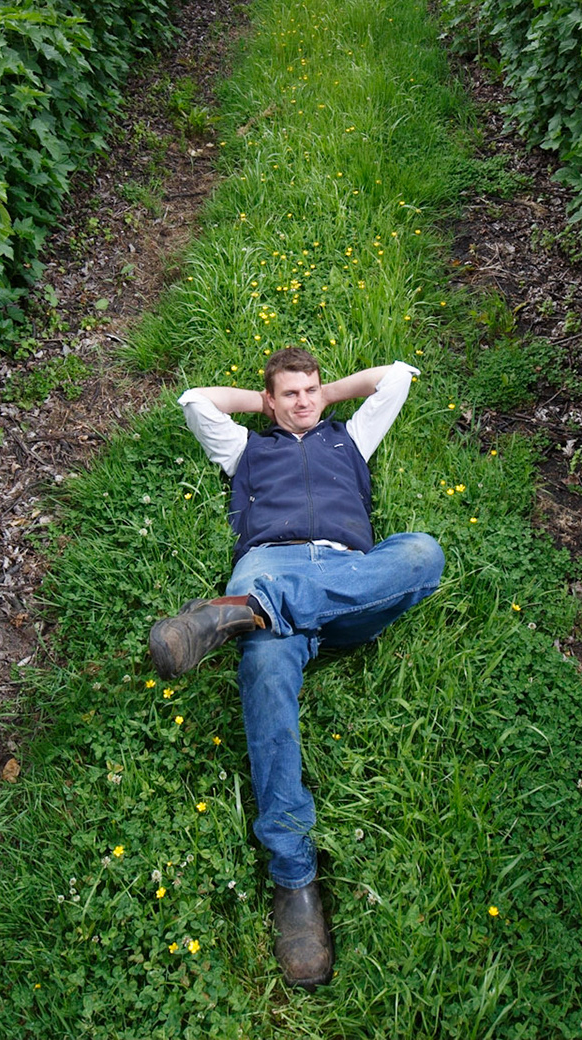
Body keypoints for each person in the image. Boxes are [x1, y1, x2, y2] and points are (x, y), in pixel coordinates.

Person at [152, 346, 445, 987]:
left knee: (423, 553)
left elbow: (397, 376)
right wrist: (261, 404)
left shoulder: (350, 440)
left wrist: (331, 394)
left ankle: (245, 612)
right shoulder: (246, 451)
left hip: (346, 577)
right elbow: (196, 401)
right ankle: (293, 878)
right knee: (265, 675)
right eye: (290, 394)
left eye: (312, 390)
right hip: (269, 560)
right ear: (269, 401)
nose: (305, 401)